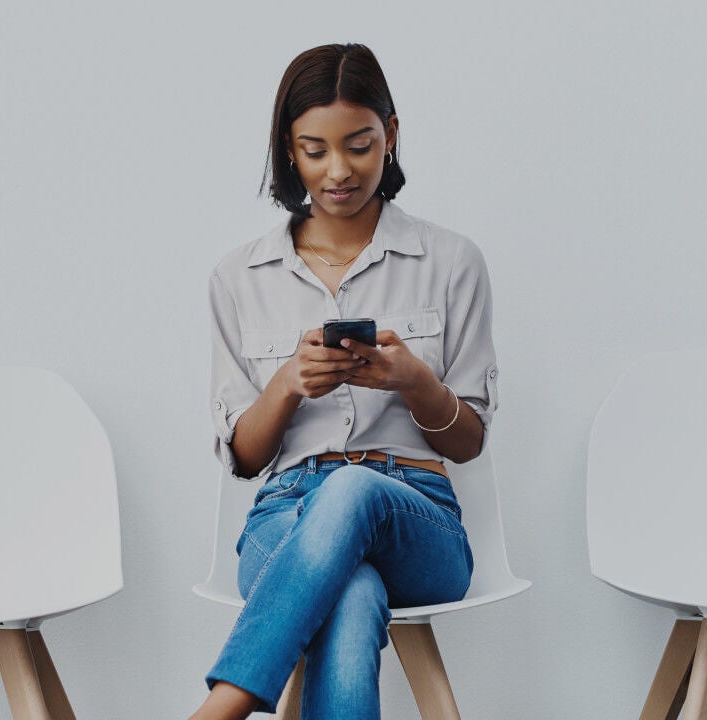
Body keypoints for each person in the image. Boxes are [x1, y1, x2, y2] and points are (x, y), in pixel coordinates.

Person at [191, 43, 499, 720]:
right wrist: (288, 384)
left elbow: (469, 443)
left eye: (359, 145)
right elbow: (245, 460)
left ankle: (220, 708)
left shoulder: (450, 261)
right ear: (288, 150)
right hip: (287, 516)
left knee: (356, 486)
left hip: (417, 517)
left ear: (391, 135)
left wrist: (413, 380)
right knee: (353, 590)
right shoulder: (238, 277)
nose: (338, 171)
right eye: (314, 149)